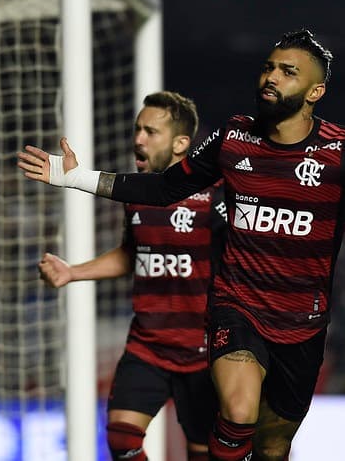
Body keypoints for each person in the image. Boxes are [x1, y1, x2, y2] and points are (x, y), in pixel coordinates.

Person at [18, 29, 345, 461]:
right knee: (238, 410)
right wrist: (78, 177)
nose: (271, 77)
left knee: (273, 446)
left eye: (287, 71)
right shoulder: (232, 139)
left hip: (302, 325)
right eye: (268, 67)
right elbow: (163, 188)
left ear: (315, 91)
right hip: (236, 307)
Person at [37, 91, 226, 461]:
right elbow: (131, 253)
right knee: (122, 441)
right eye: (138, 129)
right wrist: (73, 272)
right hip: (147, 344)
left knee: (204, 451)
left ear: (181, 144)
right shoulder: (135, 193)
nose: (138, 139)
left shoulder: (216, 196)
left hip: (203, 351)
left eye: (150, 132)